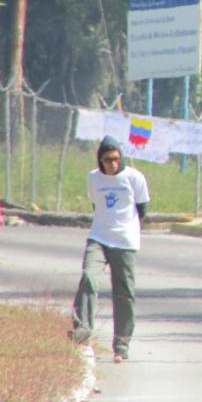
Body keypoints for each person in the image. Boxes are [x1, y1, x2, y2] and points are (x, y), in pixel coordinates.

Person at [69, 135, 150, 364]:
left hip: (125, 241)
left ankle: (121, 343)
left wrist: (128, 228)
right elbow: (96, 205)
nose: (112, 164)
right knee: (88, 277)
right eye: (107, 160)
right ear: (100, 160)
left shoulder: (134, 177)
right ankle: (83, 328)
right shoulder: (93, 178)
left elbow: (142, 208)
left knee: (124, 293)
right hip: (98, 237)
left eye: (116, 159)